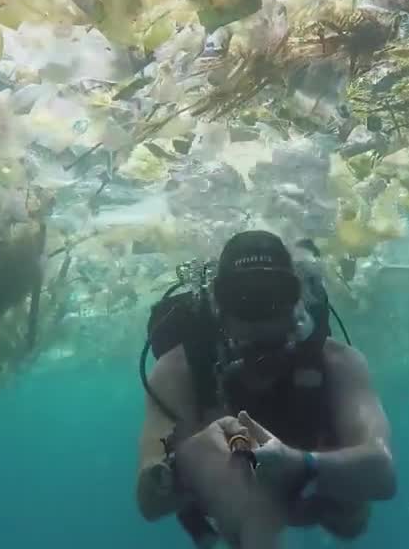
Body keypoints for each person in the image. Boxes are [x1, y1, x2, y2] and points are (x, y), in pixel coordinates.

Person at [136, 230, 395, 547]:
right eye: (241, 299)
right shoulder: (181, 370)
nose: (258, 320)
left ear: (297, 299)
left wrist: (301, 464)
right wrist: (183, 465)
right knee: (244, 500)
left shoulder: (338, 363)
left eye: (272, 298)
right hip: (226, 498)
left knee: (350, 520)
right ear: (218, 306)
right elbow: (149, 502)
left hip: (311, 489)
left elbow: (383, 474)